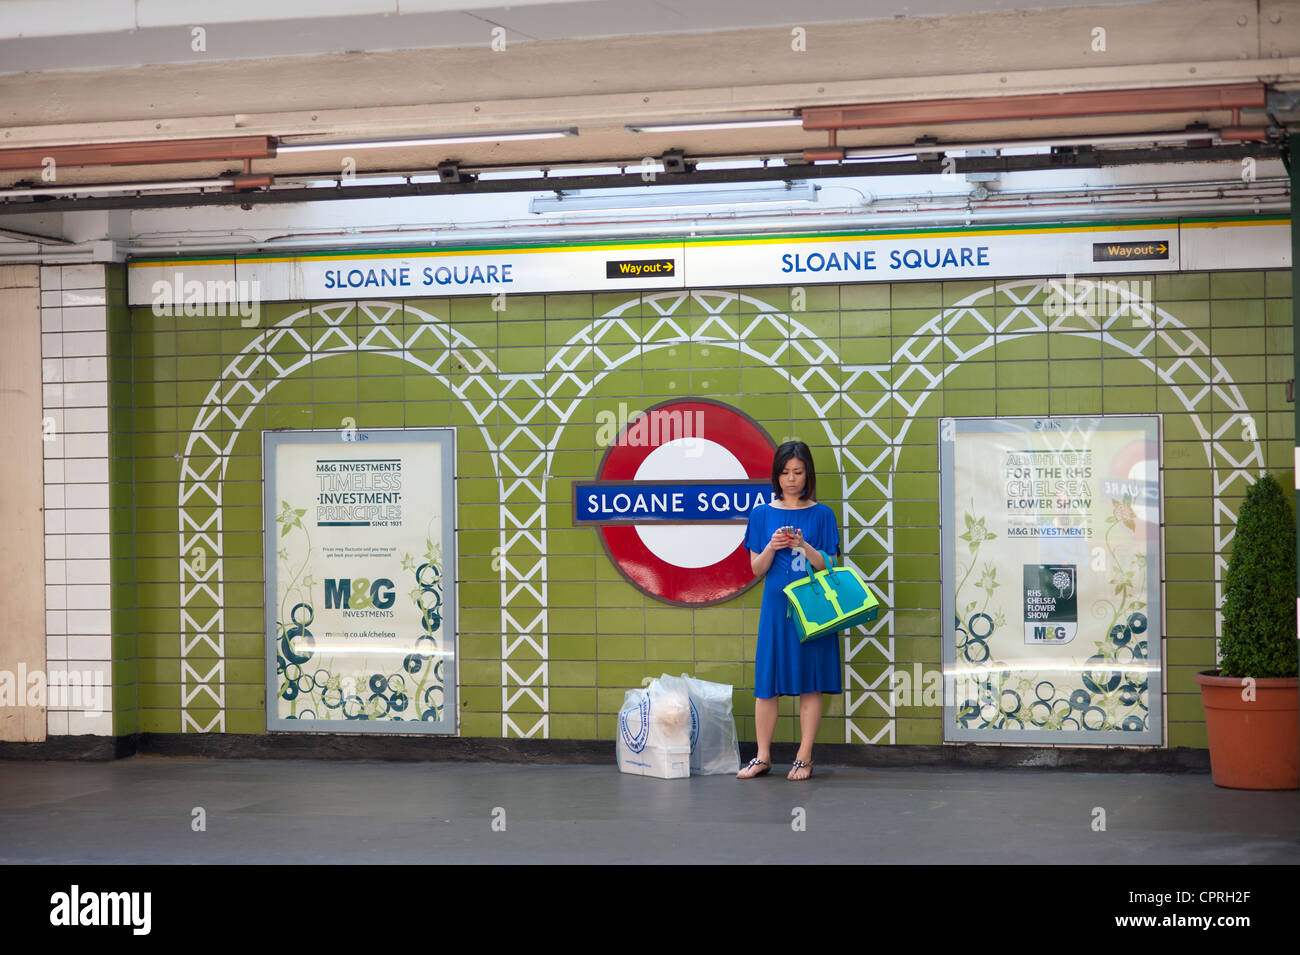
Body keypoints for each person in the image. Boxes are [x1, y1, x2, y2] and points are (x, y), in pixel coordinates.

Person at [736, 440, 842, 781]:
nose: (791, 479)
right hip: (775, 607)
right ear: (776, 476)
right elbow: (756, 568)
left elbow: (831, 564)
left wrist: (804, 546)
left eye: (797, 472)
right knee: (768, 681)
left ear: (807, 473)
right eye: (784, 473)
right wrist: (772, 545)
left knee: (810, 681)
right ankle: (762, 756)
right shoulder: (762, 514)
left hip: (812, 607)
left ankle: (804, 756)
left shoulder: (822, 513)